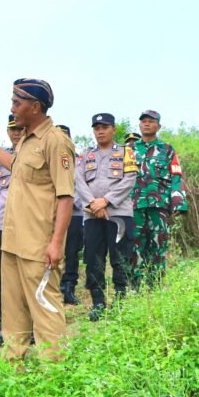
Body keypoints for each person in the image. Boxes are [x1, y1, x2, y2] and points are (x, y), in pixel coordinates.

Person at [0, 78, 74, 361]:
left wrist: (56, 243)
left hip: (38, 245)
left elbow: (66, 196)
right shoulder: (26, 139)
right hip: (13, 242)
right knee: (13, 310)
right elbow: (14, 166)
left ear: (35, 107)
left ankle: (55, 370)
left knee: (45, 307)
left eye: (17, 103)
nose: (12, 108)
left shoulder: (55, 141)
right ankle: (13, 368)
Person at [74, 113, 137, 321]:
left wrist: (106, 201)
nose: (100, 131)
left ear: (113, 129)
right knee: (93, 259)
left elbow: (129, 179)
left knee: (121, 259)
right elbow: (78, 180)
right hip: (92, 215)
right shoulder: (86, 155)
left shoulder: (126, 152)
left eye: (104, 127)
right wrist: (93, 204)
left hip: (119, 214)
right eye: (96, 128)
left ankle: (121, 302)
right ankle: (98, 303)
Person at [131, 110, 188, 288]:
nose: (147, 124)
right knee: (134, 246)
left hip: (159, 206)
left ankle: (155, 286)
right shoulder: (129, 150)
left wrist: (178, 202)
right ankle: (135, 287)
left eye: (151, 121)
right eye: (144, 121)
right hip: (134, 205)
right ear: (139, 125)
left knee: (158, 244)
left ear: (159, 126)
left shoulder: (168, 150)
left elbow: (176, 176)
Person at [0, 114, 24, 346]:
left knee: (29, 276)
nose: (16, 133)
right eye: (12, 129)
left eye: (20, 129)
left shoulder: (36, 153)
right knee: (5, 277)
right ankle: (4, 326)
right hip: (5, 225)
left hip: (30, 226)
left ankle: (30, 328)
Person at [55, 125, 84, 306]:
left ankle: (69, 288)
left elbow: (84, 184)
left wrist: (72, 201)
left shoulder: (80, 161)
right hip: (53, 213)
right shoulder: (49, 158)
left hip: (75, 212)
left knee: (72, 251)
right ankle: (54, 287)